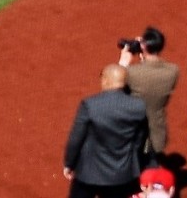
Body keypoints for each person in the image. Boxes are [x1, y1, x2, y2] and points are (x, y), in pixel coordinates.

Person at [63, 63, 148, 198]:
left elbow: (76, 138)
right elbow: (139, 140)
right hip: (121, 175)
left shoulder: (90, 105)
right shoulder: (139, 106)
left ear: (106, 80)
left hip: (88, 174)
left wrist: (69, 163)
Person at [119, 27, 179, 163]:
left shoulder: (131, 73)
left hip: (131, 130)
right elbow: (149, 81)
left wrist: (123, 64)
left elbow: (115, 87)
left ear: (143, 46)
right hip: (156, 130)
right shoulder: (173, 71)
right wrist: (144, 55)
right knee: (152, 164)